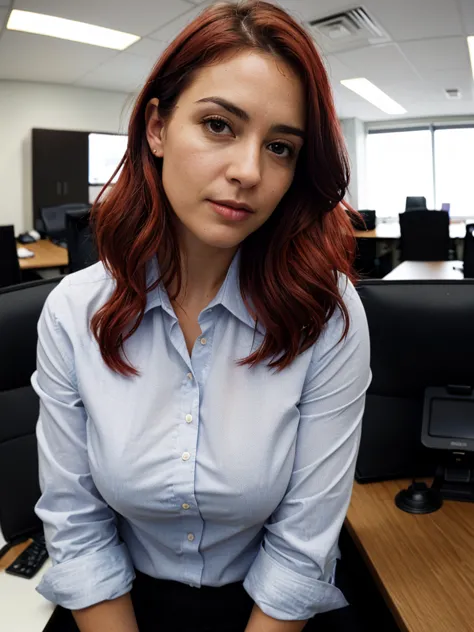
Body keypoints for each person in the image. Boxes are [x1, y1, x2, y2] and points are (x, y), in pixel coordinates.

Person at [32, 1, 371, 631]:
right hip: (116, 602)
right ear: (157, 128)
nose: (248, 171)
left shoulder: (326, 313)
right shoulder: (74, 312)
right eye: (219, 125)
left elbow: (303, 544)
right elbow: (76, 525)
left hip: (268, 607)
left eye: (280, 147)